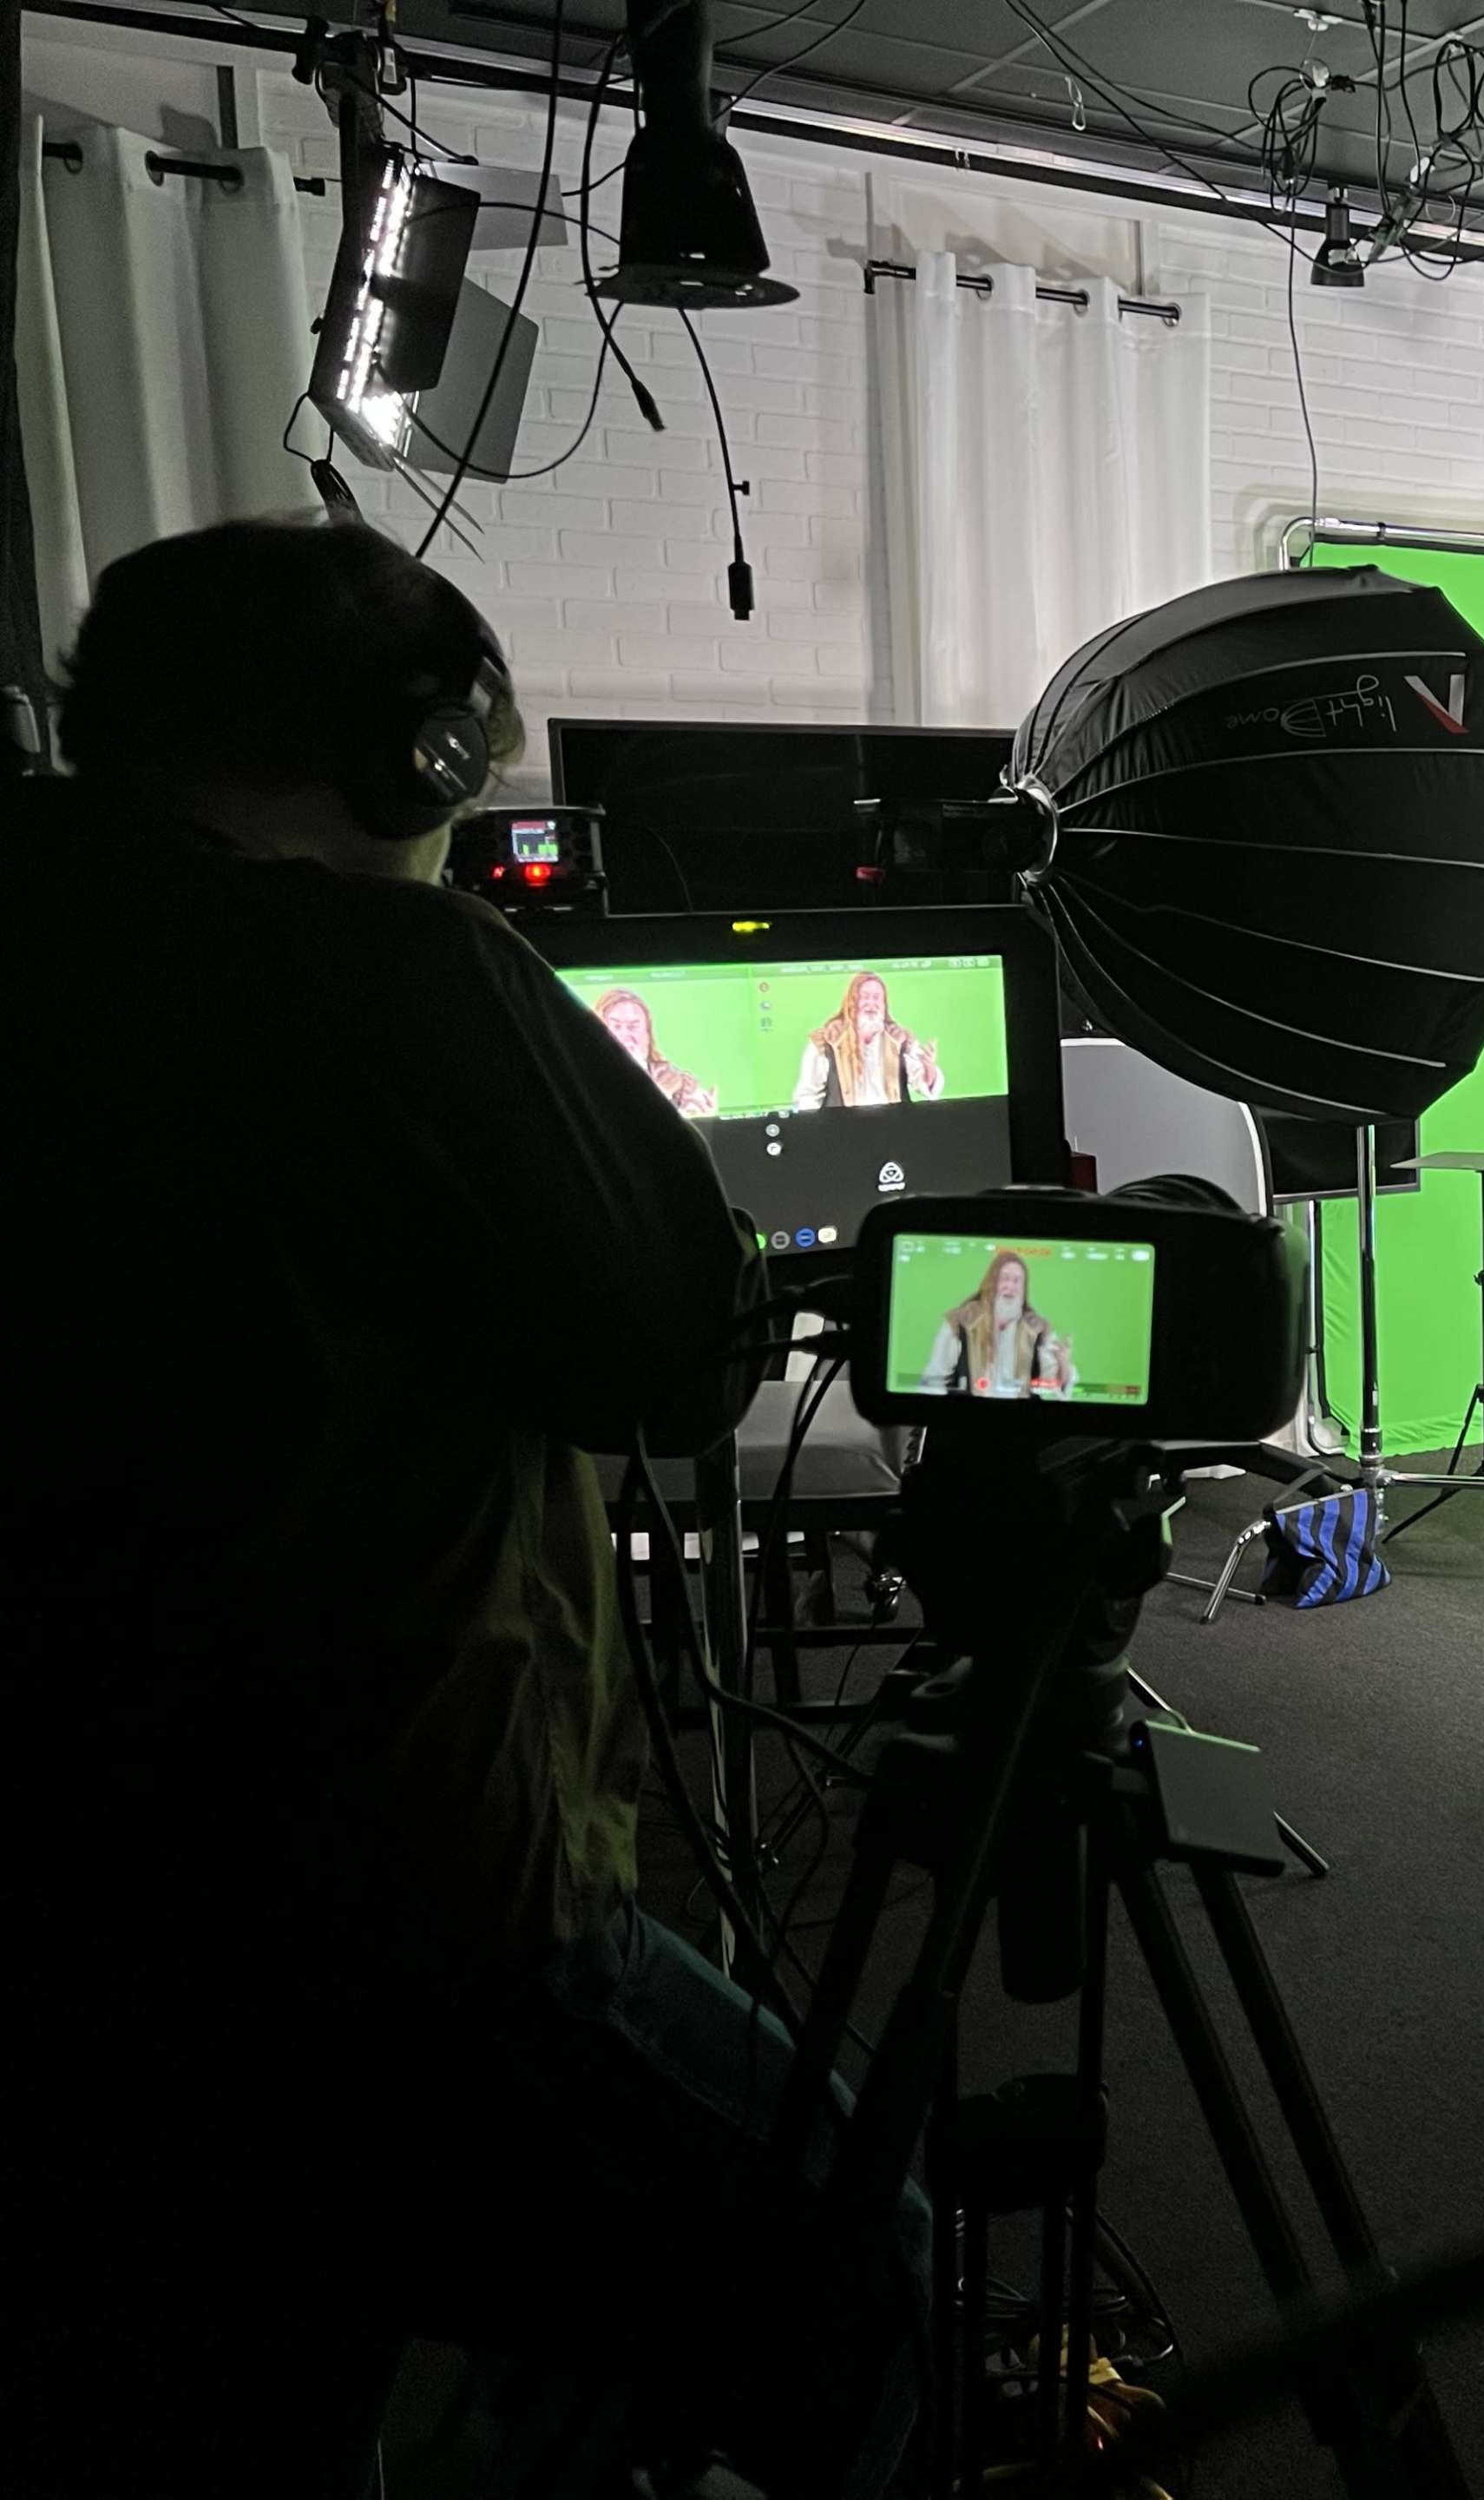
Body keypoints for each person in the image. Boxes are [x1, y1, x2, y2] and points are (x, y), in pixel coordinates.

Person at [15, 517, 917, 2498]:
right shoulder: (384, 971)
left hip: (94, 1919)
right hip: (406, 1893)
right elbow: (673, 1351)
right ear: (420, 764)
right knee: (842, 2238)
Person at [924, 1249, 1074, 1398]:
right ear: (992, 1283)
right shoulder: (960, 1323)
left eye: (1016, 1281)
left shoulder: (1038, 1329)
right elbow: (933, 1382)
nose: (1010, 1286)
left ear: (1023, 1290)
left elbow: (1055, 1384)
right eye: (1005, 1278)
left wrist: (1064, 1364)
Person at [793, 970, 942, 1109]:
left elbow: (924, 1084)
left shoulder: (900, 1040)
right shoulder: (826, 1042)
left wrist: (929, 1069)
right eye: (864, 997)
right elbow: (808, 1097)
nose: (871, 1004)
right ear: (851, 1002)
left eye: (877, 998)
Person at [592, 984, 721, 1116]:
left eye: (633, 1027)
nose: (625, 1036)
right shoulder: (586, 1078)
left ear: (647, 1034)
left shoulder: (667, 1074)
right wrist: (659, 1094)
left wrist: (703, 1112)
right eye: (617, 1026)